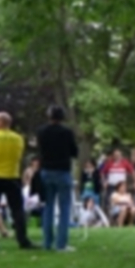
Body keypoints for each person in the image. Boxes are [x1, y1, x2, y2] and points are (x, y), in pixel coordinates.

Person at [0, 112, 36, 250]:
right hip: (12, 176)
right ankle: (22, 239)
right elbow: (18, 156)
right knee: (17, 210)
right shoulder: (18, 138)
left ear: (1, 122)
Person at [36, 105, 79, 252]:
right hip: (62, 170)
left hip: (46, 170)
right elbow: (74, 151)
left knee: (48, 207)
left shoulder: (41, 131)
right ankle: (61, 244)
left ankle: (47, 242)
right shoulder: (66, 132)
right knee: (64, 208)